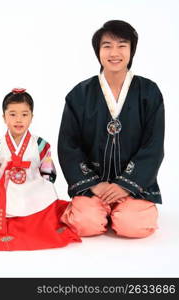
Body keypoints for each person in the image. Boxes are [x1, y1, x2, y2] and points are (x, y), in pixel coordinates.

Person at [58, 20, 164, 238]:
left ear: (131, 50)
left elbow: (153, 146)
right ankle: (97, 209)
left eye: (122, 45)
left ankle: (124, 210)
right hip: (93, 186)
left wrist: (125, 185)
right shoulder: (79, 95)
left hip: (136, 187)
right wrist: (94, 185)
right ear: (98, 51)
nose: (114, 52)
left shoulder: (149, 92)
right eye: (107, 46)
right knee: (85, 224)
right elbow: (68, 145)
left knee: (132, 226)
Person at [0, 88, 80, 251]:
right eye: (12, 114)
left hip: (31, 186)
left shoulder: (40, 144)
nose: (19, 120)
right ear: (4, 117)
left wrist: (41, 185)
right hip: (4, 187)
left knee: (43, 194)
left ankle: (35, 222)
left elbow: (48, 171)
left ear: (31, 117)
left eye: (24, 114)